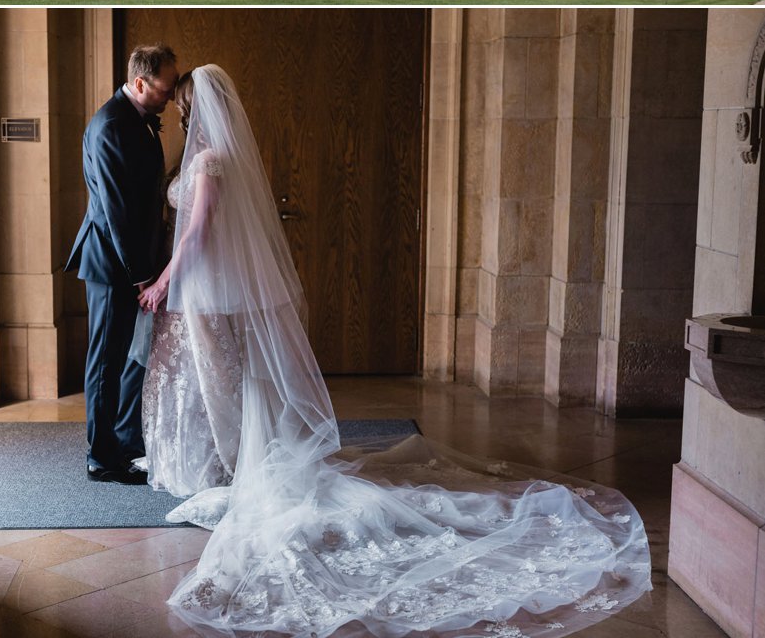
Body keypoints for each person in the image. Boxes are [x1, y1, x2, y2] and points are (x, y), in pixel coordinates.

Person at [136, 65, 652, 637]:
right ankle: (229, 465)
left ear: (195, 107)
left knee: (220, 384)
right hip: (212, 289)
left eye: (183, 104)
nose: (181, 112)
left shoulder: (208, 162)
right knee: (226, 384)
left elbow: (199, 230)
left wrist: (164, 279)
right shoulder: (222, 157)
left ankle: (232, 471)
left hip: (206, 289)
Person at [65, 43, 178, 483]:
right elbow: (115, 212)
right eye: (166, 88)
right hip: (112, 266)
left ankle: (125, 439)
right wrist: (141, 276)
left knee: (129, 357)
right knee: (106, 362)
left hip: (131, 263)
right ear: (140, 83)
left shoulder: (139, 121)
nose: (170, 96)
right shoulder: (110, 125)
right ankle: (100, 456)